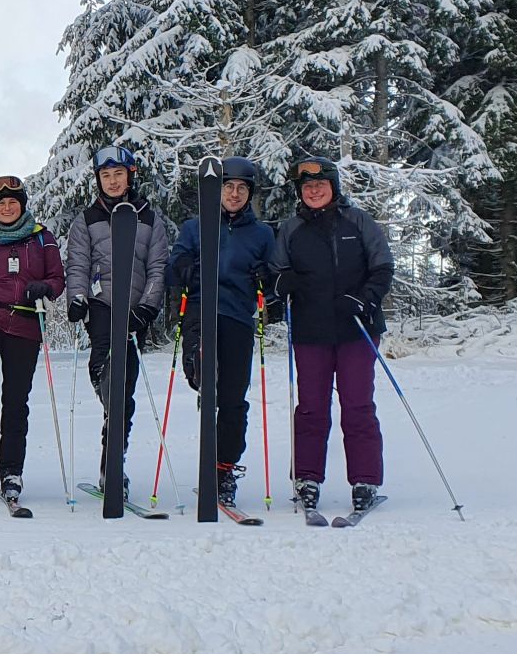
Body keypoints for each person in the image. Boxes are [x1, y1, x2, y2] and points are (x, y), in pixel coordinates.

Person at [269, 156, 393, 513]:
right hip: (311, 331)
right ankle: (308, 478)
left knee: (357, 405)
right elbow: (275, 273)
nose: (314, 191)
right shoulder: (292, 229)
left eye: (320, 185)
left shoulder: (358, 221)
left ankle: (365, 479)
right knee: (311, 408)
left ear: (333, 187)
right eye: (307, 187)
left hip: (356, 328)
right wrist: (284, 282)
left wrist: (364, 299)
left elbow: (383, 266)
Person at [166, 156, 275, 507]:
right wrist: (185, 267)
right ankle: (201, 369)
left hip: (238, 317)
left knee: (232, 400)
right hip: (201, 310)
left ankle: (223, 470)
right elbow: (173, 268)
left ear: (250, 194)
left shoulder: (261, 234)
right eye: (228, 186)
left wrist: (265, 277)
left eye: (242, 188)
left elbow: (274, 281)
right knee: (203, 376)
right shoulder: (195, 227)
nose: (234, 193)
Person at [63, 145, 169, 495]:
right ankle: (113, 407)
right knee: (107, 375)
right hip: (102, 306)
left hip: (134, 310)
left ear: (130, 176)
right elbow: (77, 262)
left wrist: (148, 306)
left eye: (117, 174)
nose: (111, 181)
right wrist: (77, 297)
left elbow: (157, 267)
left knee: (124, 387)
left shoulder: (149, 218)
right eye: (105, 175)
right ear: (98, 180)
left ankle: (113, 467)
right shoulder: (87, 219)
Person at [0, 176, 64, 506]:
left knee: (16, 400)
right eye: (0, 203)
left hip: (25, 322)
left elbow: (57, 278)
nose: (6, 207)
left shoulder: (41, 238)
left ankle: (11, 470)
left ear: (22, 204)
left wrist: (45, 288)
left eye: (12, 202)